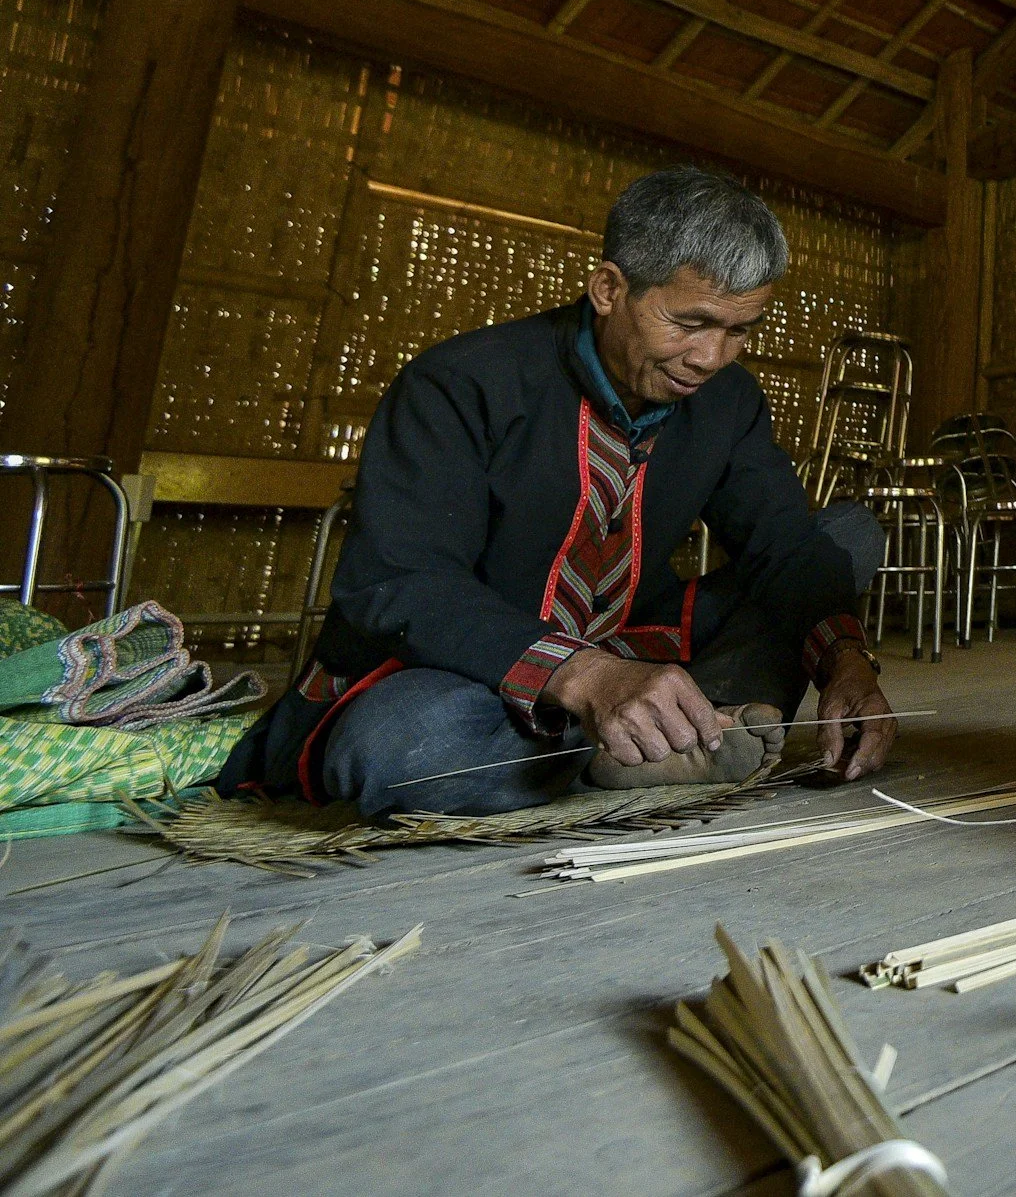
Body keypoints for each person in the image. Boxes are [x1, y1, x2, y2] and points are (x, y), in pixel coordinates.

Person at [219, 167, 895, 817]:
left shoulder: (728, 401)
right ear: (608, 288)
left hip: (633, 641)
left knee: (844, 539)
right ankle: (618, 752)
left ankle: (684, 727)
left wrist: (846, 659)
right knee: (393, 743)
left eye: (739, 329)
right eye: (688, 322)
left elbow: (783, 542)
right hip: (471, 668)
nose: (710, 357)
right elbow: (399, 582)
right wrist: (589, 678)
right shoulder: (459, 386)